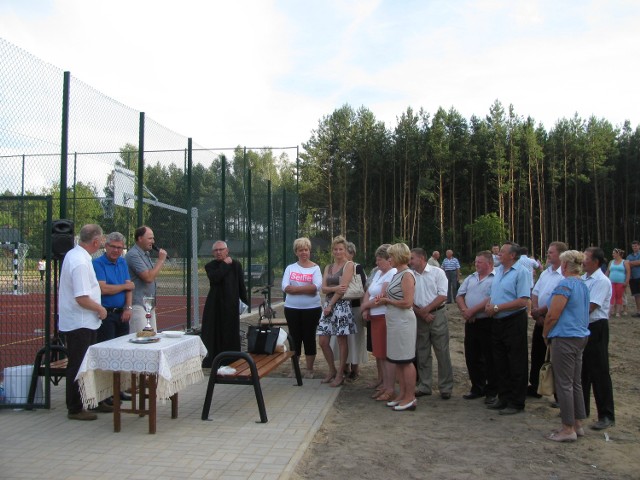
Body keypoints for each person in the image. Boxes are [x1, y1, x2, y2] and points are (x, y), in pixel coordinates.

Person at [58, 224, 108, 421]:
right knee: (78, 365)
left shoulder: (77, 256)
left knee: (84, 364)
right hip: (80, 322)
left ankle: (88, 400)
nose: (102, 243)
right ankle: (75, 407)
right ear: (95, 242)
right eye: (102, 240)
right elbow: (81, 297)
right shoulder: (79, 262)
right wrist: (100, 309)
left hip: (85, 321)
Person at [542, 250, 590, 442]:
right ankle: (577, 423)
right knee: (575, 382)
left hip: (565, 337)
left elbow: (553, 314)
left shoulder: (565, 285)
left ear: (564, 266)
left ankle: (567, 428)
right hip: (579, 336)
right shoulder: (583, 284)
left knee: (563, 384)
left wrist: (545, 333)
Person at [484, 241, 531, 415]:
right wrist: (491, 304)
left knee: (516, 361)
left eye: (502, 252)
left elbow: (522, 300)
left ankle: (516, 402)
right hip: (497, 321)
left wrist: (497, 308)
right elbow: (494, 294)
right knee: (500, 361)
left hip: (513, 320)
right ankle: (503, 397)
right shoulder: (498, 272)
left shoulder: (521, 272)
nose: (498, 254)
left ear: (512, 255)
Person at [375, 243, 417, 411]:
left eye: (391, 256)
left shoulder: (407, 274)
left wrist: (387, 301)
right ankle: (402, 394)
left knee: (405, 360)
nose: (389, 259)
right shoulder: (397, 274)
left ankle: (410, 397)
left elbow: (408, 302)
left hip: (403, 322)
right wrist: (384, 296)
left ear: (399, 257)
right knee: (398, 360)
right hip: (394, 321)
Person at [410, 247, 452, 399]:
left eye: (412, 258)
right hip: (419, 316)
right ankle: (425, 385)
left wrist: (426, 310)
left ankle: (446, 387)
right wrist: (420, 312)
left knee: (442, 351)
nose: (410, 262)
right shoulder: (411, 275)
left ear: (421, 259)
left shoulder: (437, 272)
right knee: (422, 352)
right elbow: (408, 297)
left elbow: (443, 295)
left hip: (437, 315)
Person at [528, 241, 568, 398]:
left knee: (556, 358)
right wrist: (536, 312)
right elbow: (536, 292)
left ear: (560, 255)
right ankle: (536, 386)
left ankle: (559, 394)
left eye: (551, 252)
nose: (547, 254)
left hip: (555, 321)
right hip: (540, 320)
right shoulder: (545, 273)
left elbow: (556, 299)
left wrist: (542, 313)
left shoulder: (564, 275)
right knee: (537, 354)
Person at [582, 247, 615, 431]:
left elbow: (591, 306)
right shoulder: (585, 279)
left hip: (596, 327)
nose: (582, 260)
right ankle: (582, 409)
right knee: (583, 370)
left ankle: (606, 414)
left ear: (595, 262)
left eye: (586, 258)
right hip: (583, 326)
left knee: (599, 371)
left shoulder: (601, 281)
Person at [456, 250, 496, 401]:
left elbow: (491, 298)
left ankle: (491, 391)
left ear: (489, 263)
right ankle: (477, 387)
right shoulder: (471, 278)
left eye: (479, 262)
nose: (476, 264)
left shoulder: (496, 278)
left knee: (490, 356)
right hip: (471, 322)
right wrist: (466, 311)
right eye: (475, 261)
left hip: (487, 322)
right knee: (472, 355)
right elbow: (460, 295)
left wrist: (472, 311)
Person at [200, 240, 248, 368]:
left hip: (231, 304)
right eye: (216, 250)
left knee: (230, 331)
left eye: (221, 249)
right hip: (215, 304)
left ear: (227, 251)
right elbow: (215, 278)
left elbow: (241, 284)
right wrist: (225, 265)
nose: (219, 252)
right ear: (212, 253)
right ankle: (213, 360)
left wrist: (245, 301)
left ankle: (231, 359)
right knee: (213, 331)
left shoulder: (236, 265)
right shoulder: (210, 266)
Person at [317, 235, 357, 387]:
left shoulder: (349, 265)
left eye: (341, 249)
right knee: (323, 340)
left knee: (341, 340)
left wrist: (330, 304)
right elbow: (323, 288)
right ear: (332, 251)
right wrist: (333, 289)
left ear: (345, 250)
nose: (338, 252)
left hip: (340, 306)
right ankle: (332, 370)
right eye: (335, 249)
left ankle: (340, 373)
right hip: (328, 304)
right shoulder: (328, 267)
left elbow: (344, 289)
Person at [282, 237, 322, 379]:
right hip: (292, 308)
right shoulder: (290, 268)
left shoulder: (315, 268)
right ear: (296, 252)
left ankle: (309, 370)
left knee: (309, 338)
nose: (304, 252)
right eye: (300, 250)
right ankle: (295, 369)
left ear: (309, 251)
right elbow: (285, 287)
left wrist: (296, 289)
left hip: (312, 309)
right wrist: (307, 289)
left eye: (306, 250)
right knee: (295, 338)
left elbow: (316, 287)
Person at [360, 244, 396, 401]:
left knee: (386, 355)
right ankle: (383, 384)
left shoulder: (392, 273)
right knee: (379, 354)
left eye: (379, 260)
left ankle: (389, 387)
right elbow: (369, 291)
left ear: (389, 260)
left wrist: (364, 306)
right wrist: (366, 308)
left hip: (384, 317)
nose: (377, 263)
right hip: (374, 317)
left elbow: (382, 297)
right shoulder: (379, 273)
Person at [330, 241, 367, 381]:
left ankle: (355, 367)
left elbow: (363, 287)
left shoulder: (357, 267)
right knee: (341, 339)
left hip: (354, 306)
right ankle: (344, 365)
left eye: (348, 252)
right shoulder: (337, 267)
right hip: (340, 306)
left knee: (355, 339)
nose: (347, 255)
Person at [93, 232, 134, 343]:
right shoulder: (98, 263)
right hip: (106, 315)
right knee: (107, 347)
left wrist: (128, 308)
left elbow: (129, 288)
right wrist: (124, 286)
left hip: (122, 314)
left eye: (119, 248)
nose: (116, 250)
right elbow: (103, 289)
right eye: (113, 247)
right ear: (106, 246)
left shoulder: (122, 262)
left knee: (123, 347)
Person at [125, 226, 167, 333]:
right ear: (139, 238)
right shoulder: (133, 255)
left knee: (152, 337)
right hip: (138, 304)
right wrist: (161, 260)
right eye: (150, 238)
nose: (153, 241)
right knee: (142, 339)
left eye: (153, 239)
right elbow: (148, 277)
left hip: (149, 304)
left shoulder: (145, 254)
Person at [605, 248, 630, 317]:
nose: (613, 254)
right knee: (611, 296)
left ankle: (618, 312)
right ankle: (610, 311)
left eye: (614, 253)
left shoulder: (624, 262)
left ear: (618, 254)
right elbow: (608, 271)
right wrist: (604, 278)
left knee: (619, 297)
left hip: (621, 282)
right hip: (611, 282)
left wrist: (626, 281)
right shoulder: (611, 262)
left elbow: (628, 272)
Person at [626, 241, 640, 317]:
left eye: (636, 246)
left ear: (639, 246)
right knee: (636, 295)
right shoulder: (629, 256)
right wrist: (635, 263)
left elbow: (629, 263)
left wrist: (630, 263)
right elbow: (626, 265)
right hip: (633, 278)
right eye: (633, 246)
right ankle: (638, 311)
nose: (634, 247)